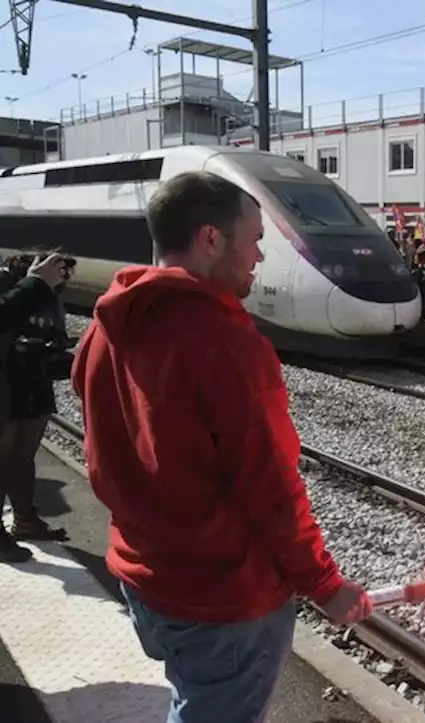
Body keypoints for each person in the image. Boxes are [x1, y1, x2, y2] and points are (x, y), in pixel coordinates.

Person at [71, 171, 372, 722]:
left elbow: (102, 449)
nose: (259, 256)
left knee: (192, 697)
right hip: (222, 599)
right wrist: (325, 585)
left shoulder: (105, 326)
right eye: (255, 239)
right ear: (211, 239)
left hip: (146, 577)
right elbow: (272, 486)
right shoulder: (227, 343)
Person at [0, 251, 76, 563]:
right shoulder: (15, 286)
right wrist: (35, 284)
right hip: (8, 377)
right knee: (3, 455)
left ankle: (25, 520)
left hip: (33, 377)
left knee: (23, 453)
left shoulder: (46, 295)